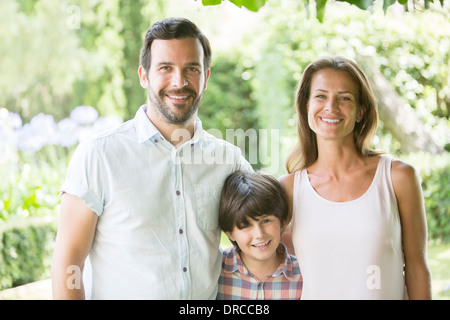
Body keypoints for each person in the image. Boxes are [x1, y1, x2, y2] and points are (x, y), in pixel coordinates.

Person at [51, 17, 252, 299]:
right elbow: (68, 263)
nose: (179, 82)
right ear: (144, 75)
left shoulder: (228, 160)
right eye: (165, 68)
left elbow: (264, 237)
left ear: (205, 77)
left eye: (191, 68)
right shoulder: (99, 155)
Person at [279, 56, 432, 300]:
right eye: (320, 96)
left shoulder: (397, 177)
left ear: (361, 111)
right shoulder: (287, 189)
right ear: (306, 106)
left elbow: (416, 269)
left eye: (344, 98)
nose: (331, 106)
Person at [217, 171, 302, 300]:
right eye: (246, 225)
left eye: (266, 221)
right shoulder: (216, 272)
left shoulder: (303, 276)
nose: (259, 234)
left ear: (282, 222)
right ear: (230, 233)